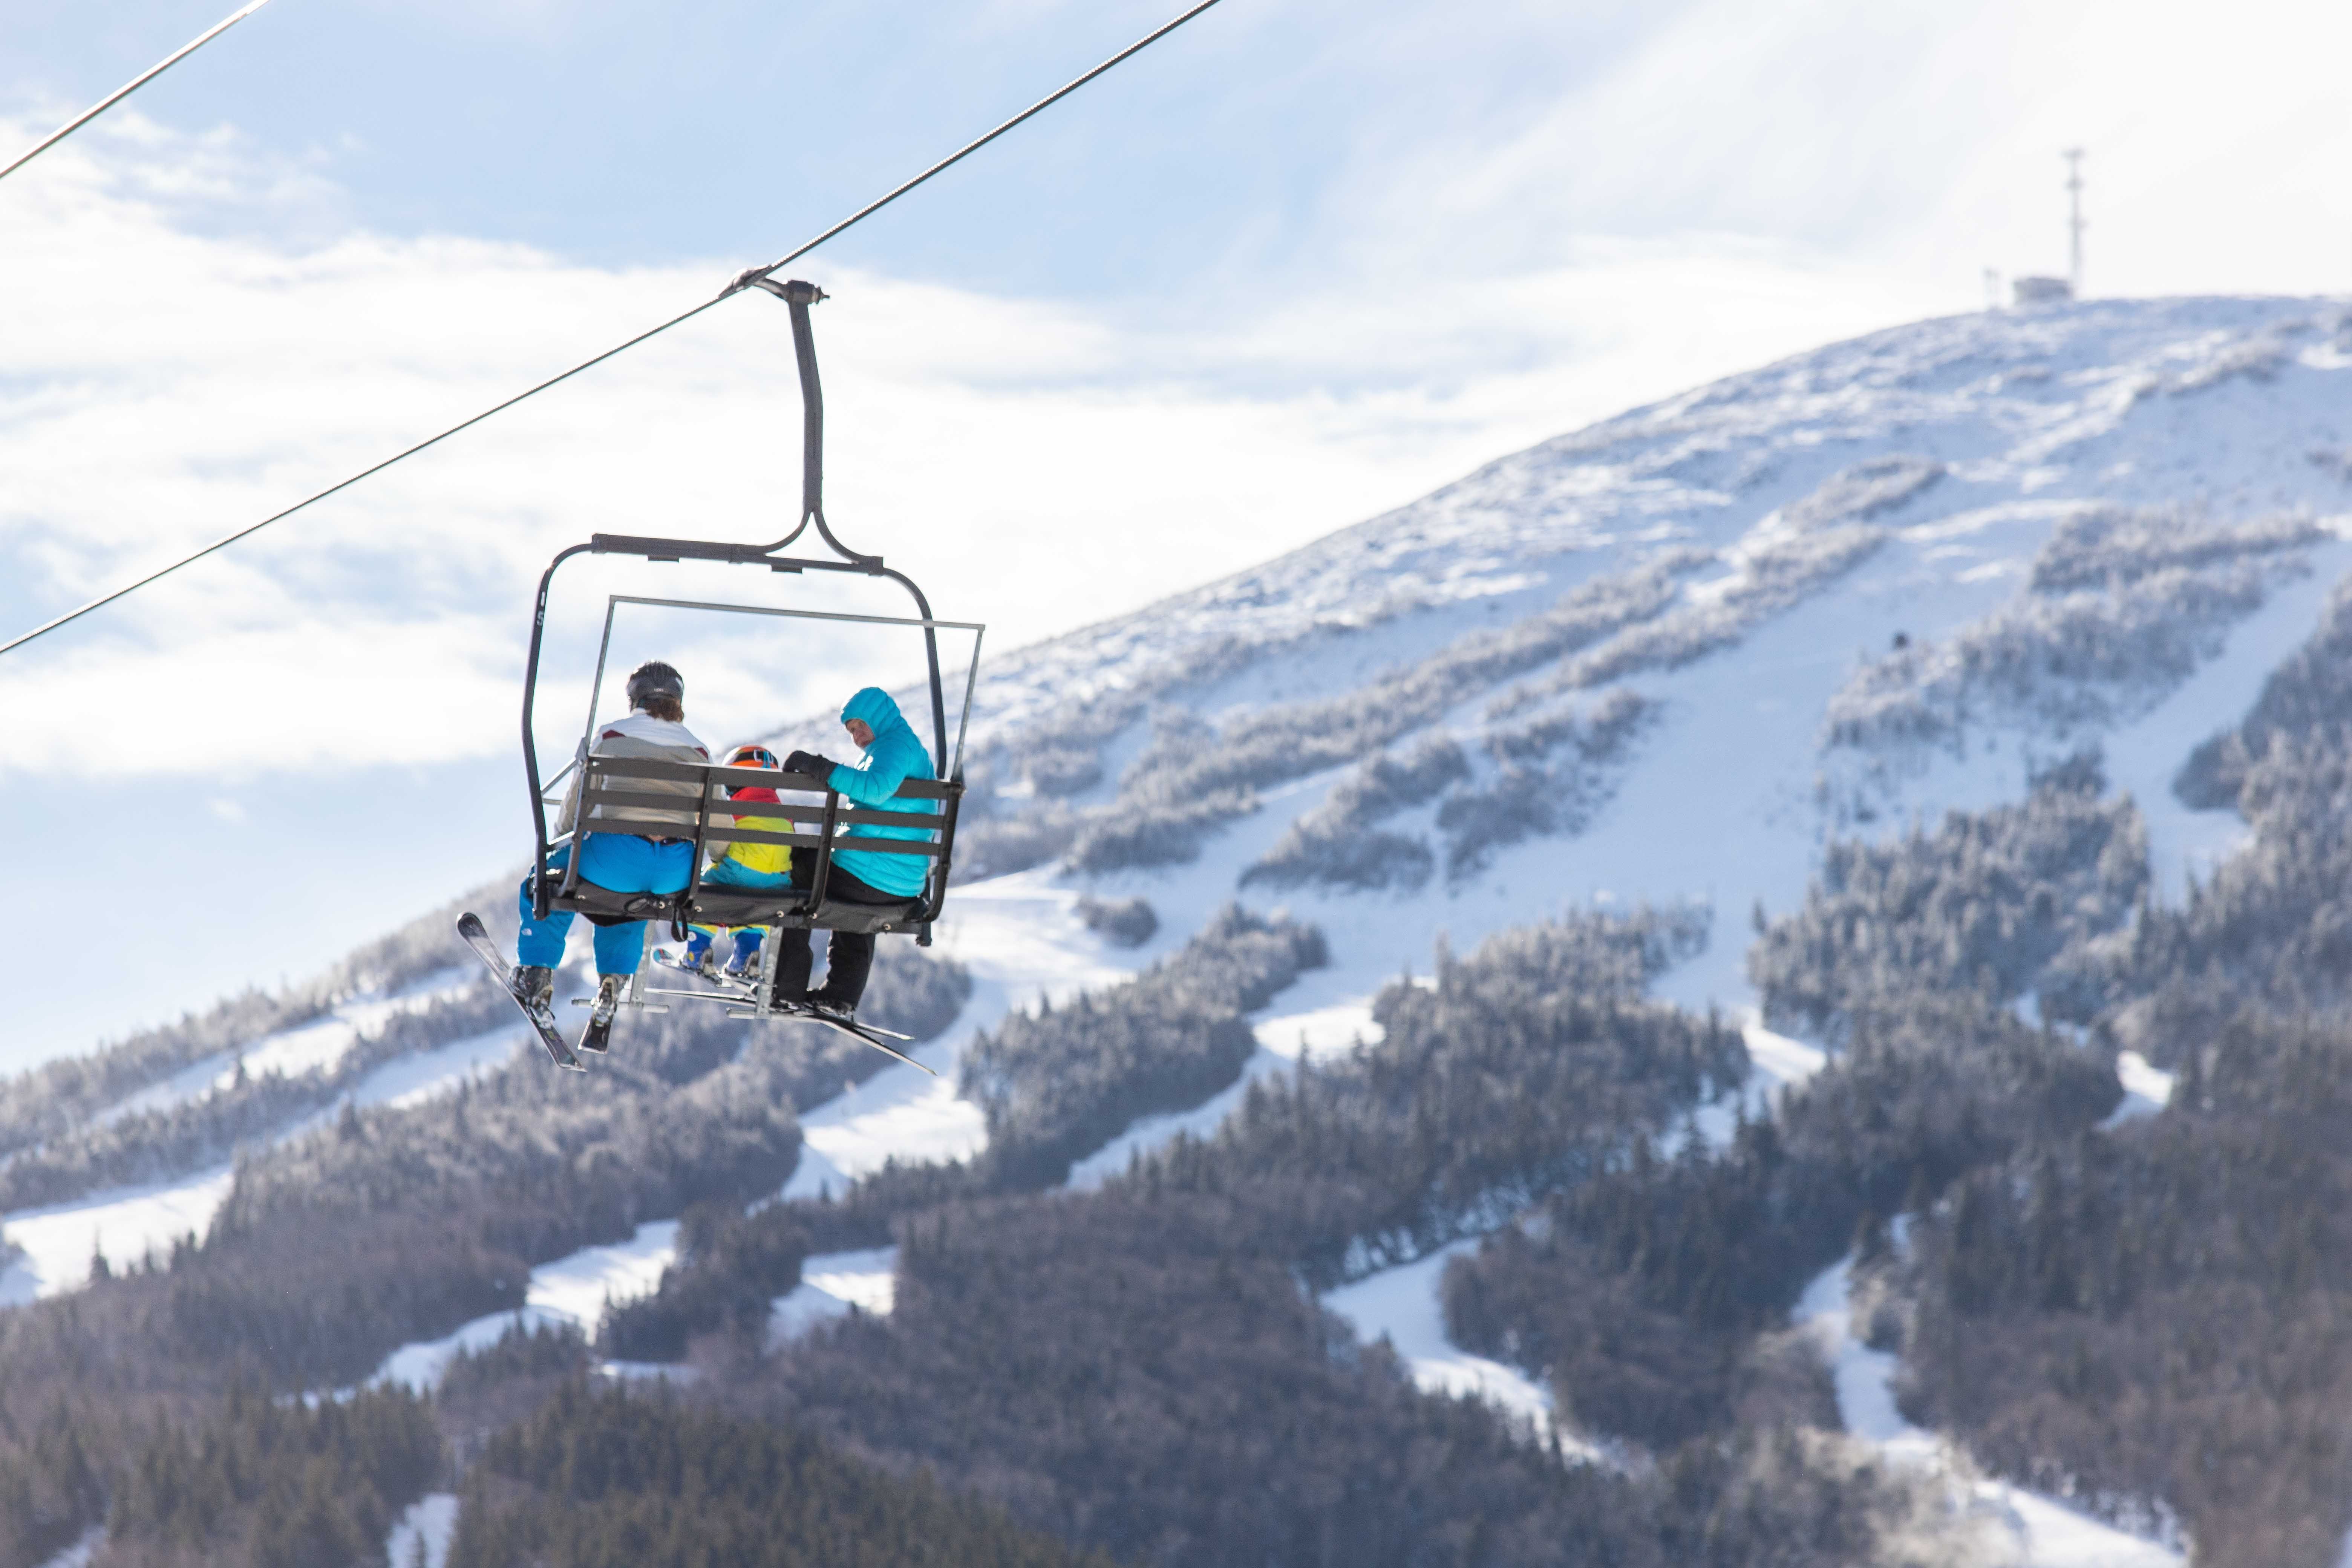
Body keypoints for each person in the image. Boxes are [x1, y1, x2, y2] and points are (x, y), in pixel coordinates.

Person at [512, 660, 710, 1017]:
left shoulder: (611, 736)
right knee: (635, 900)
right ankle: (614, 981)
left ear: (634, 699)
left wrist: (563, 842)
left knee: (551, 881)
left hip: (613, 858)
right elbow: (717, 822)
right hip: (675, 872)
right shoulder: (700, 752)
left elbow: (577, 803)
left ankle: (537, 971)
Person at [775, 686, 937, 1017]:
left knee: (796, 866)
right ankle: (841, 995)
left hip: (872, 874)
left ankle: (785, 986)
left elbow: (875, 790)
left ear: (880, 718)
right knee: (849, 898)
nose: (857, 736)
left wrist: (818, 767)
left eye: (861, 725)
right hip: (897, 884)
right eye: (851, 731)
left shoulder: (895, 745)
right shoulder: (897, 749)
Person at [674, 743, 798, 978]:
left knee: (703, 885)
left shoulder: (736, 806)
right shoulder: (784, 810)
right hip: (778, 882)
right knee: (753, 902)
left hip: (742, 871)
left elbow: (721, 844)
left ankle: (696, 953)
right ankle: (746, 957)